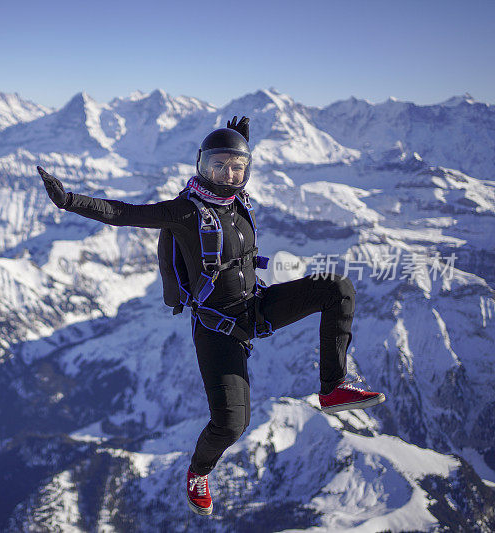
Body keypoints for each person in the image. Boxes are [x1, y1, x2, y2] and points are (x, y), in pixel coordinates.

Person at [37, 116, 385, 516]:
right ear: (201, 166)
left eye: (238, 166)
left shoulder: (239, 202)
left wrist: (236, 144)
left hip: (257, 307)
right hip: (217, 329)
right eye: (218, 165)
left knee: (337, 288)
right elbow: (123, 212)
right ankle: (198, 473)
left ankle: (332, 387)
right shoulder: (185, 212)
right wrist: (68, 201)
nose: (229, 174)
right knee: (231, 426)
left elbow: (232, 169)